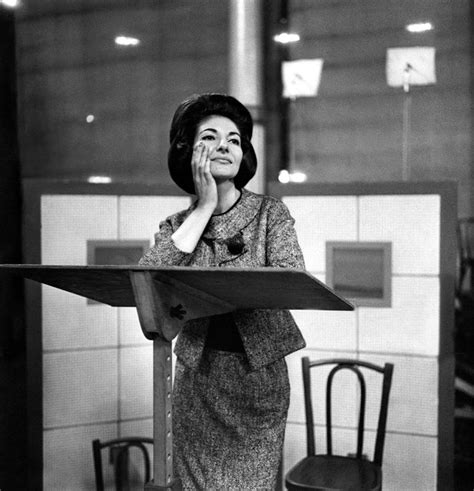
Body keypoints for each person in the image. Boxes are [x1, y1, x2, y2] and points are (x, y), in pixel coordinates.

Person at [139, 93, 306, 490]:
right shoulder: (176, 224)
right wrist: (203, 209)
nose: (225, 146)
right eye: (210, 138)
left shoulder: (271, 214)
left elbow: (290, 278)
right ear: (187, 150)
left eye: (234, 139)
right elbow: (148, 280)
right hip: (198, 381)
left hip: (258, 382)